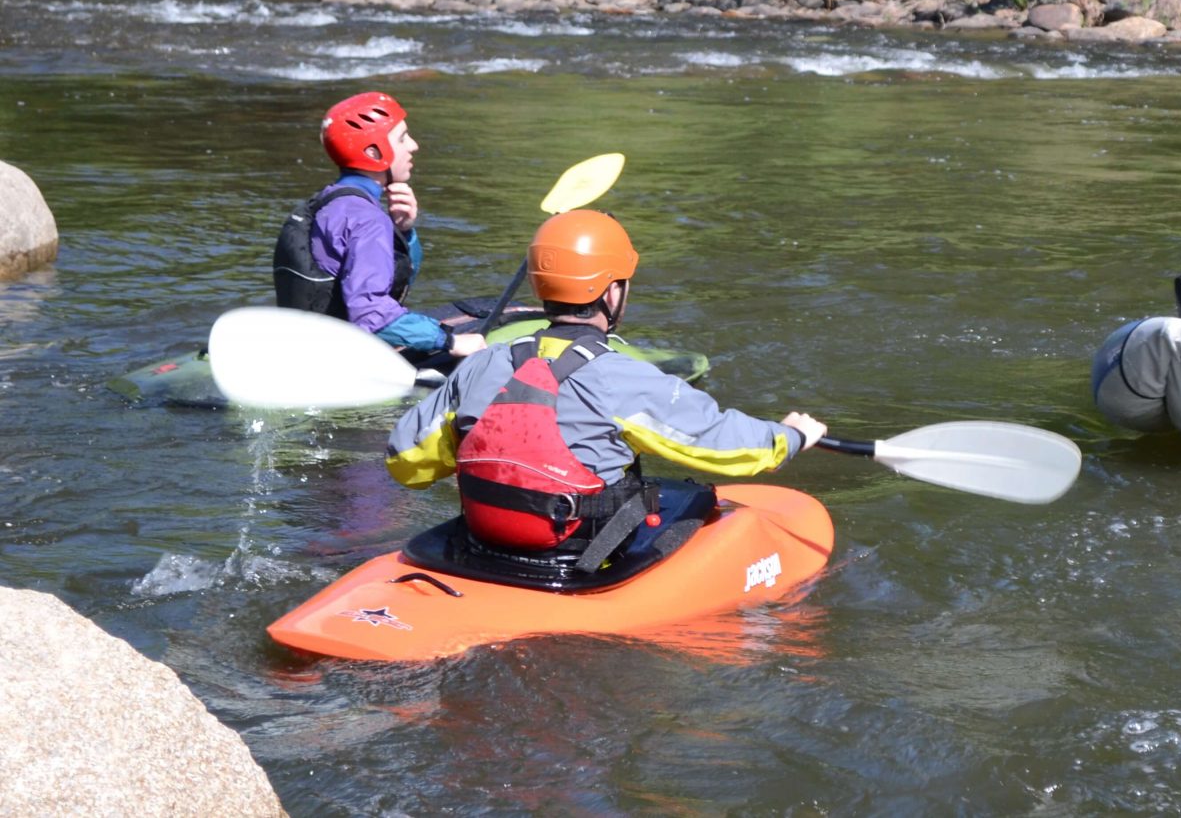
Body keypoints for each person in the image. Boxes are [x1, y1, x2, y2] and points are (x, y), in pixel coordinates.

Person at [385, 210, 826, 567]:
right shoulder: (623, 377)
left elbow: (405, 461)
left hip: (485, 543)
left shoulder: (482, 364)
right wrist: (789, 438)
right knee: (685, 495)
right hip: (578, 556)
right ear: (612, 293)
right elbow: (717, 444)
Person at [272, 91, 484, 361]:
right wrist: (450, 341)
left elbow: (387, 283)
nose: (414, 146)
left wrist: (404, 232)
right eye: (402, 138)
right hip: (340, 358)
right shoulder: (368, 219)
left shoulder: (328, 200)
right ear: (374, 152)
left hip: (311, 344)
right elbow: (370, 312)